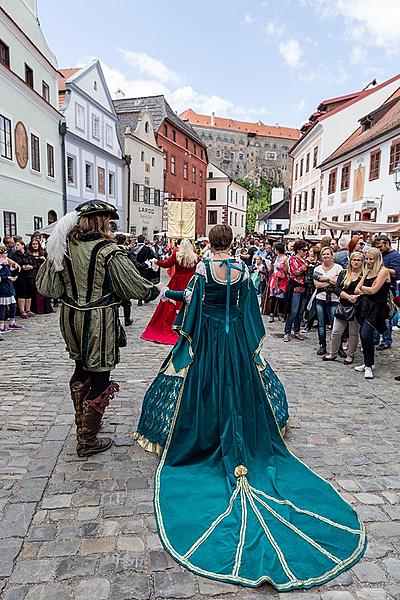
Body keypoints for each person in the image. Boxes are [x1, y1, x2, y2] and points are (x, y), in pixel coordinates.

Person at [134, 223, 366, 590]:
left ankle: (203, 439)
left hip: (208, 340)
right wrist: (244, 338)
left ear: (211, 243)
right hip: (235, 343)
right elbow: (250, 312)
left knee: (202, 387)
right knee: (242, 388)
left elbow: (191, 305)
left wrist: (170, 293)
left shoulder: (203, 269)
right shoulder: (243, 270)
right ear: (233, 243)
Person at [36, 200, 159, 457]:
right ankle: (87, 439)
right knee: (100, 373)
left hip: (70, 317)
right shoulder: (107, 250)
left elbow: (49, 287)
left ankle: (85, 424)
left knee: (81, 367)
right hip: (98, 318)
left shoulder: (65, 245)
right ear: (102, 221)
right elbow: (132, 287)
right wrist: (152, 290)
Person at [140, 239, 198, 345]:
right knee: (189, 301)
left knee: (171, 303)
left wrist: (156, 261)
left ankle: (173, 324)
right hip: (190, 281)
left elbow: (166, 264)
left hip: (177, 281)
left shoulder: (177, 255)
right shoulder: (195, 257)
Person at [354, 248, 391, 379]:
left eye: (371, 259)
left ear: (377, 259)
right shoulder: (368, 271)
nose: (368, 261)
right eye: (367, 259)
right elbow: (357, 289)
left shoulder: (383, 271)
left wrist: (363, 288)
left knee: (365, 334)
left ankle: (368, 367)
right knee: (364, 335)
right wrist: (364, 287)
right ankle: (368, 363)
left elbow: (373, 290)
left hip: (377, 308)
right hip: (365, 306)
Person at [322, 251, 364, 364]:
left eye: (358, 260)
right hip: (343, 305)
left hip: (356, 307)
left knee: (353, 333)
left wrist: (356, 297)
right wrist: (348, 297)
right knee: (336, 331)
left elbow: (366, 290)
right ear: (350, 261)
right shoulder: (344, 273)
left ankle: (350, 355)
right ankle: (333, 353)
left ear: (362, 261)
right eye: (354, 260)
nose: (356, 262)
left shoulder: (364, 275)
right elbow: (337, 288)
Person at [313, 248, 343, 356]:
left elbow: (338, 282)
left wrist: (323, 279)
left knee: (335, 324)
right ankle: (322, 345)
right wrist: (330, 280)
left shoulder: (338, 267)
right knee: (321, 323)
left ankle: (337, 347)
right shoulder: (317, 268)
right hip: (320, 298)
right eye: (324, 254)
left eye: (328, 254)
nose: (326, 256)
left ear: (332, 255)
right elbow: (317, 285)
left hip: (334, 299)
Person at [373, 235, 400, 351]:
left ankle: (386, 340)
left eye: (380, 246)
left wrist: (381, 267)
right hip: (376, 288)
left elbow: (395, 273)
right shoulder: (380, 255)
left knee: (386, 315)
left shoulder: (395, 256)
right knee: (374, 313)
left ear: (388, 243)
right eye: (377, 247)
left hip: (389, 289)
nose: (379, 249)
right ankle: (375, 338)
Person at [283, 240, 309, 342]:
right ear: (298, 250)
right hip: (295, 288)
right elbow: (295, 272)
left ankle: (297, 331)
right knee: (293, 311)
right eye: (304, 250)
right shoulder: (293, 259)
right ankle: (287, 332)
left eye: (307, 250)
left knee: (300, 312)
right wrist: (305, 266)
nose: (306, 252)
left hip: (304, 287)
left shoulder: (305, 259)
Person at [0, 245, 24, 333]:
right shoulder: (0, 264)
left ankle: (12, 322)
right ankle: (1, 325)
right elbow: (2, 276)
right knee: (2, 307)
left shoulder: (5, 263)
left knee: (13, 305)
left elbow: (9, 271)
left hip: (8, 287)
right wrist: (7, 278)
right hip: (3, 288)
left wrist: (13, 270)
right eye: (4, 253)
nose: (6, 254)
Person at [129, 235, 158, 306]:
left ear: (138, 240)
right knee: (145, 283)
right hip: (144, 267)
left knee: (138, 283)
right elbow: (151, 257)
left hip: (136, 268)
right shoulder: (146, 248)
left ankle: (139, 298)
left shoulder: (133, 248)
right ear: (144, 240)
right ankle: (145, 298)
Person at [262, 242, 288, 321]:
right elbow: (271, 269)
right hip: (274, 280)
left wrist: (284, 266)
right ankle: (272, 313)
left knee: (281, 298)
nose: (274, 250)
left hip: (282, 280)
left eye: (275, 249)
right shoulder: (274, 258)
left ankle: (280, 313)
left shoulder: (286, 258)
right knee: (272, 297)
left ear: (278, 250)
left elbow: (287, 271)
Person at [12, 241, 37, 318]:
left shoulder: (29, 254)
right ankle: (22, 311)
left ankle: (28, 310)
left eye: (18, 245)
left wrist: (31, 267)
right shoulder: (15, 255)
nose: (16, 246)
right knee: (22, 293)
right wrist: (21, 267)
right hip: (20, 276)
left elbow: (35, 264)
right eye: (16, 245)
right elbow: (13, 266)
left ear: (23, 245)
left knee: (29, 292)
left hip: (29, 275)